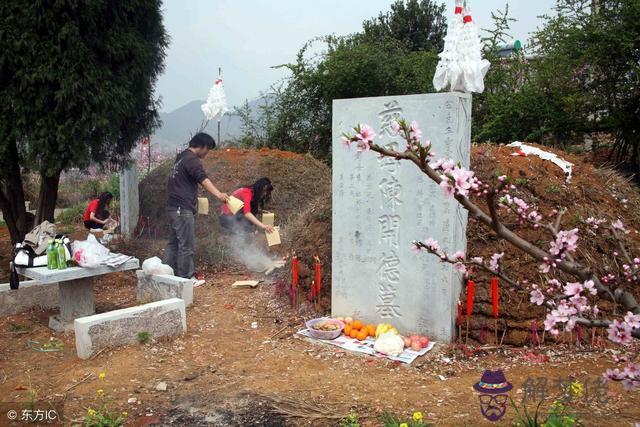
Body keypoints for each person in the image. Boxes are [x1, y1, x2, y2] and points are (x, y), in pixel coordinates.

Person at [163, 133, 229, 281]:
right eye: (208, 149)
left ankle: (164, 274)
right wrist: (219, 195)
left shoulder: (181, 158)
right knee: (186, 245)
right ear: (203, 146)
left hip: (173, 207)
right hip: (182, 208)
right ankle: (187, 277)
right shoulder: (192, 160)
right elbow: (203, 180)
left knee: (174, 243)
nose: (207, 153)